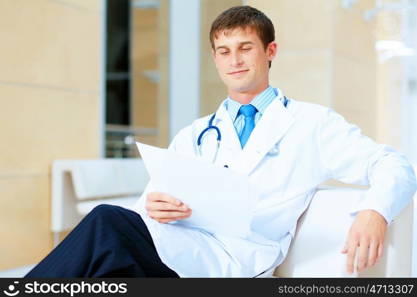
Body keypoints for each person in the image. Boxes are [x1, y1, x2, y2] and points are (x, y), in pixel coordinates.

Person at [26, 5, 416, 278]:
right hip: (179, 251)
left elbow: (395, 165)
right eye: (224, 51)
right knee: (106, 262)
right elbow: (151, 206)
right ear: (215, 59)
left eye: (245, 48)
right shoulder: (195, 132)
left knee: (105, 223)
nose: (235, 60)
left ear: (270, 52)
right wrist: (154, 206)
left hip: (238, 264)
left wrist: (375, 211)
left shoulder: (312, 123)